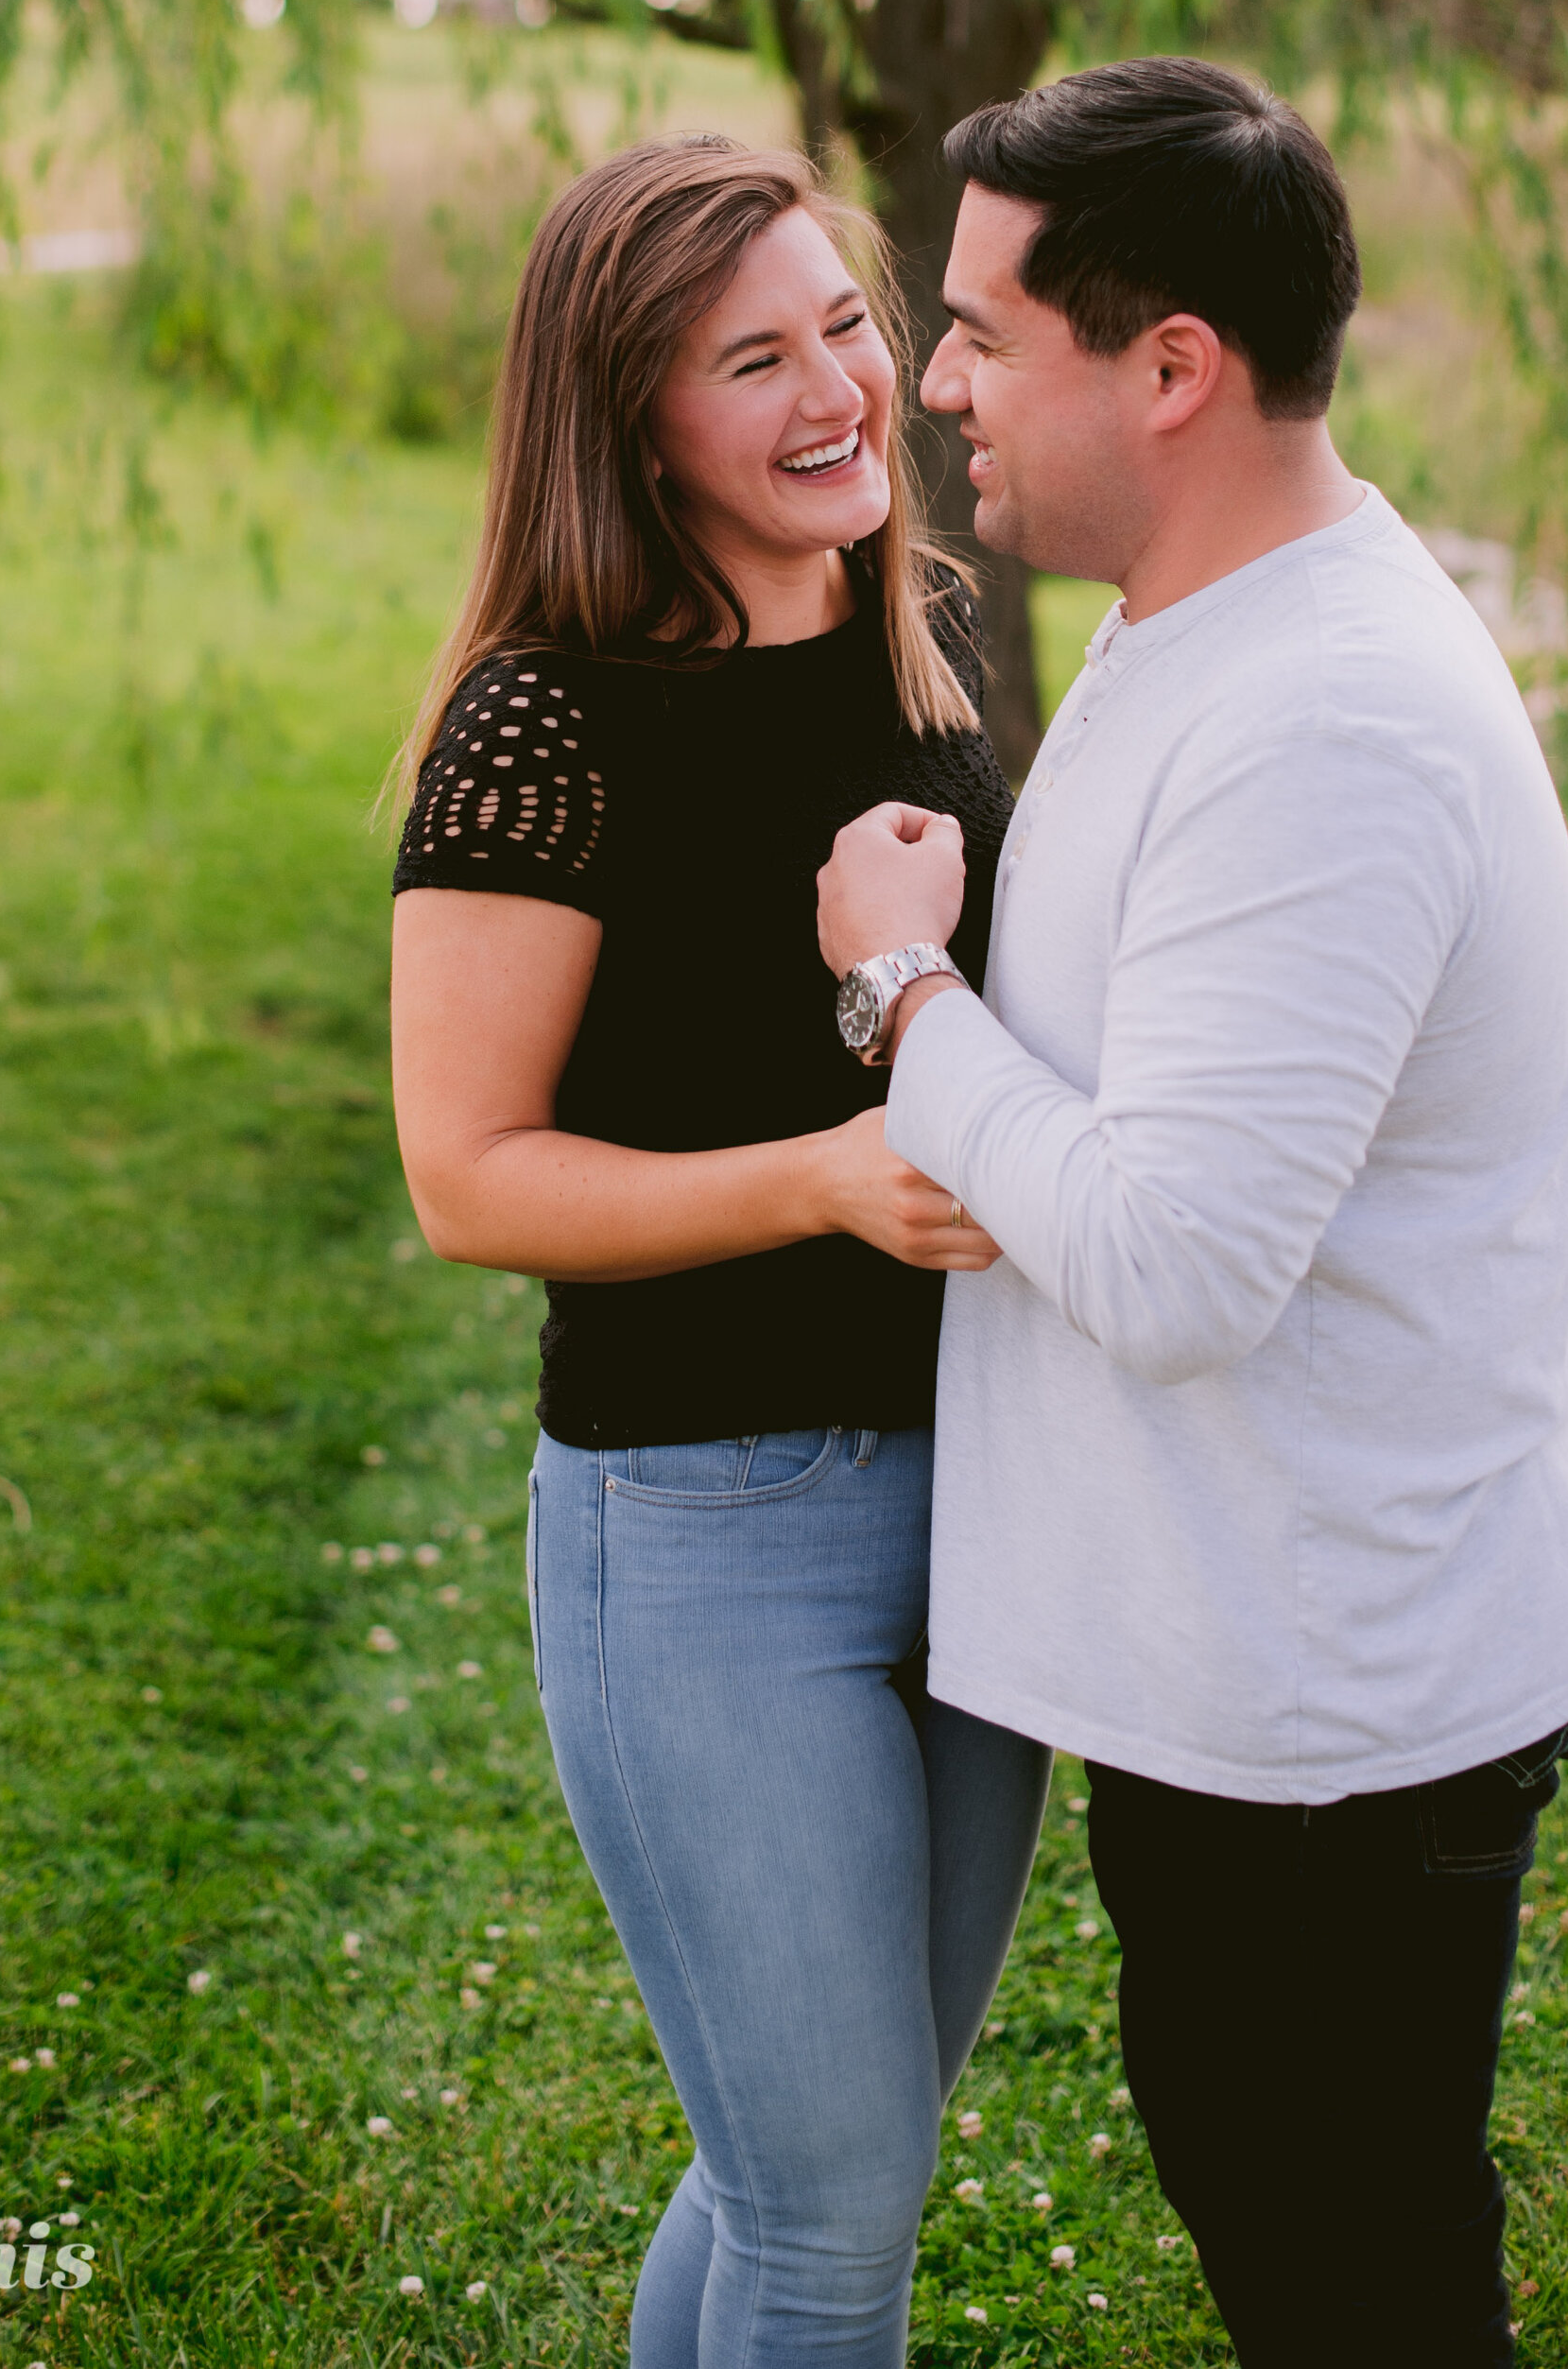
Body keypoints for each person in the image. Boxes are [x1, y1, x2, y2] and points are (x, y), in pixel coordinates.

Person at [817, 56, 1568, 2369]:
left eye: (984, 327)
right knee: (1295, 2223)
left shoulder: (1327, 717)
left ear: (1169, 364)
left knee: (1353, 2273)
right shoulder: (1203, 622)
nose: (933, 383)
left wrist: (896, 994)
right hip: (1253, 1671)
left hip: (1338, 1712)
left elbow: (1175, 1263)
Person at [388, 133, 1051, 2369]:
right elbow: (467, 1175)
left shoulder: (924, 640)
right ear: (624, 418)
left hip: (991, 1506)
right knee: (829, 2194)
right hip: (704, 1531)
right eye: (746, 357)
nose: (834, 389)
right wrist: (822, 1174)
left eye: (846, 324)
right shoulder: (544, 721)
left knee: (817, 2172)